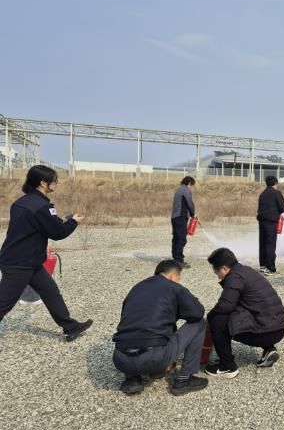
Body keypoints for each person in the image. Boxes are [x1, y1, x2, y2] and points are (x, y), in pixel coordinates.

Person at [0, 165, 92, 341]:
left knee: (50, 292)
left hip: (28, 260)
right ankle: (70, 326)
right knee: (4, 302)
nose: (56, 183)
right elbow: (58, 232)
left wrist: (59, 221)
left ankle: (70, 327)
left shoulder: (21, 203)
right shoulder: (42, 206)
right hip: (20, 263)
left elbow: (33, 228)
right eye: (54, 181)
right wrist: (73, 222)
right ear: (43, 183)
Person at [112, 260, 208, 396]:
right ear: (173, 276)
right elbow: (197, 313)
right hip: (154, 358)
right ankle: (184, 379)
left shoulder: (137, 288)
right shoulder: (174, 287)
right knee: (199, 323)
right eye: (179, 278)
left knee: (134, 329)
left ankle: (132, 379)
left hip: (121, 360)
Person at [205, 248, 284, 378]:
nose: (217, 276)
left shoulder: (234, 278)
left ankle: (227, 367)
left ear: (224, 268)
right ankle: (269, 349)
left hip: (268, 332)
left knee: (217, 320)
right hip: (278, 327)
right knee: (240, 311)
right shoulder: (246, 270)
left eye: (217, 272)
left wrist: (209, 317)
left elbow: (225, 306)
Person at [257, 175, 284, 275]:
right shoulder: (276, 193)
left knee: (262, 243)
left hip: (262, 222)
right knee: (270, 244)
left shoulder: (262, 194)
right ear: (275, 183)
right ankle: (270, 267)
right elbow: (283, 207)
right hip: (271, 222)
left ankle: (262, 266)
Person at [171, 176, 196, 268]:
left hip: (174, 217)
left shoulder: (178, 190)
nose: (191, 187)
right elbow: (190, 203)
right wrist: (193, 214)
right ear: (189, 183)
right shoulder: (186, 190)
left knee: (176, 238)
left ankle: (175, 258)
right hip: (181, 217)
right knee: (181, 239)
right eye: (191, 185)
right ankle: (179, 260)